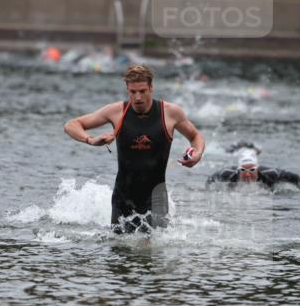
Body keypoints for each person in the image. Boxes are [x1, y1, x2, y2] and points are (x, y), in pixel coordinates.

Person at [64, 65, 205, 234]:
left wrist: (197, 154)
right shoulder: (116, 111)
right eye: (132, 92)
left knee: (153, 253)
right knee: (120, 252)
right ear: (127, 89)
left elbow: (196, 137)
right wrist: (91, 140)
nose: (137, 97)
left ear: (151, 88)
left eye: (142, 91)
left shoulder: (169, 113)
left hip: (156, 197)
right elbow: (71, 125)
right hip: (122, 198)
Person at [206, 142, 300, 190]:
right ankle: (242, 145)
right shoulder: (228, 174)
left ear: (257, 169)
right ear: (239, 170)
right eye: (243, 170)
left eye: (252, 170)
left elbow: (295, 178)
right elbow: (209, 181)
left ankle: (251, 147)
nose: (248, 174)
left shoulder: (270, 174)